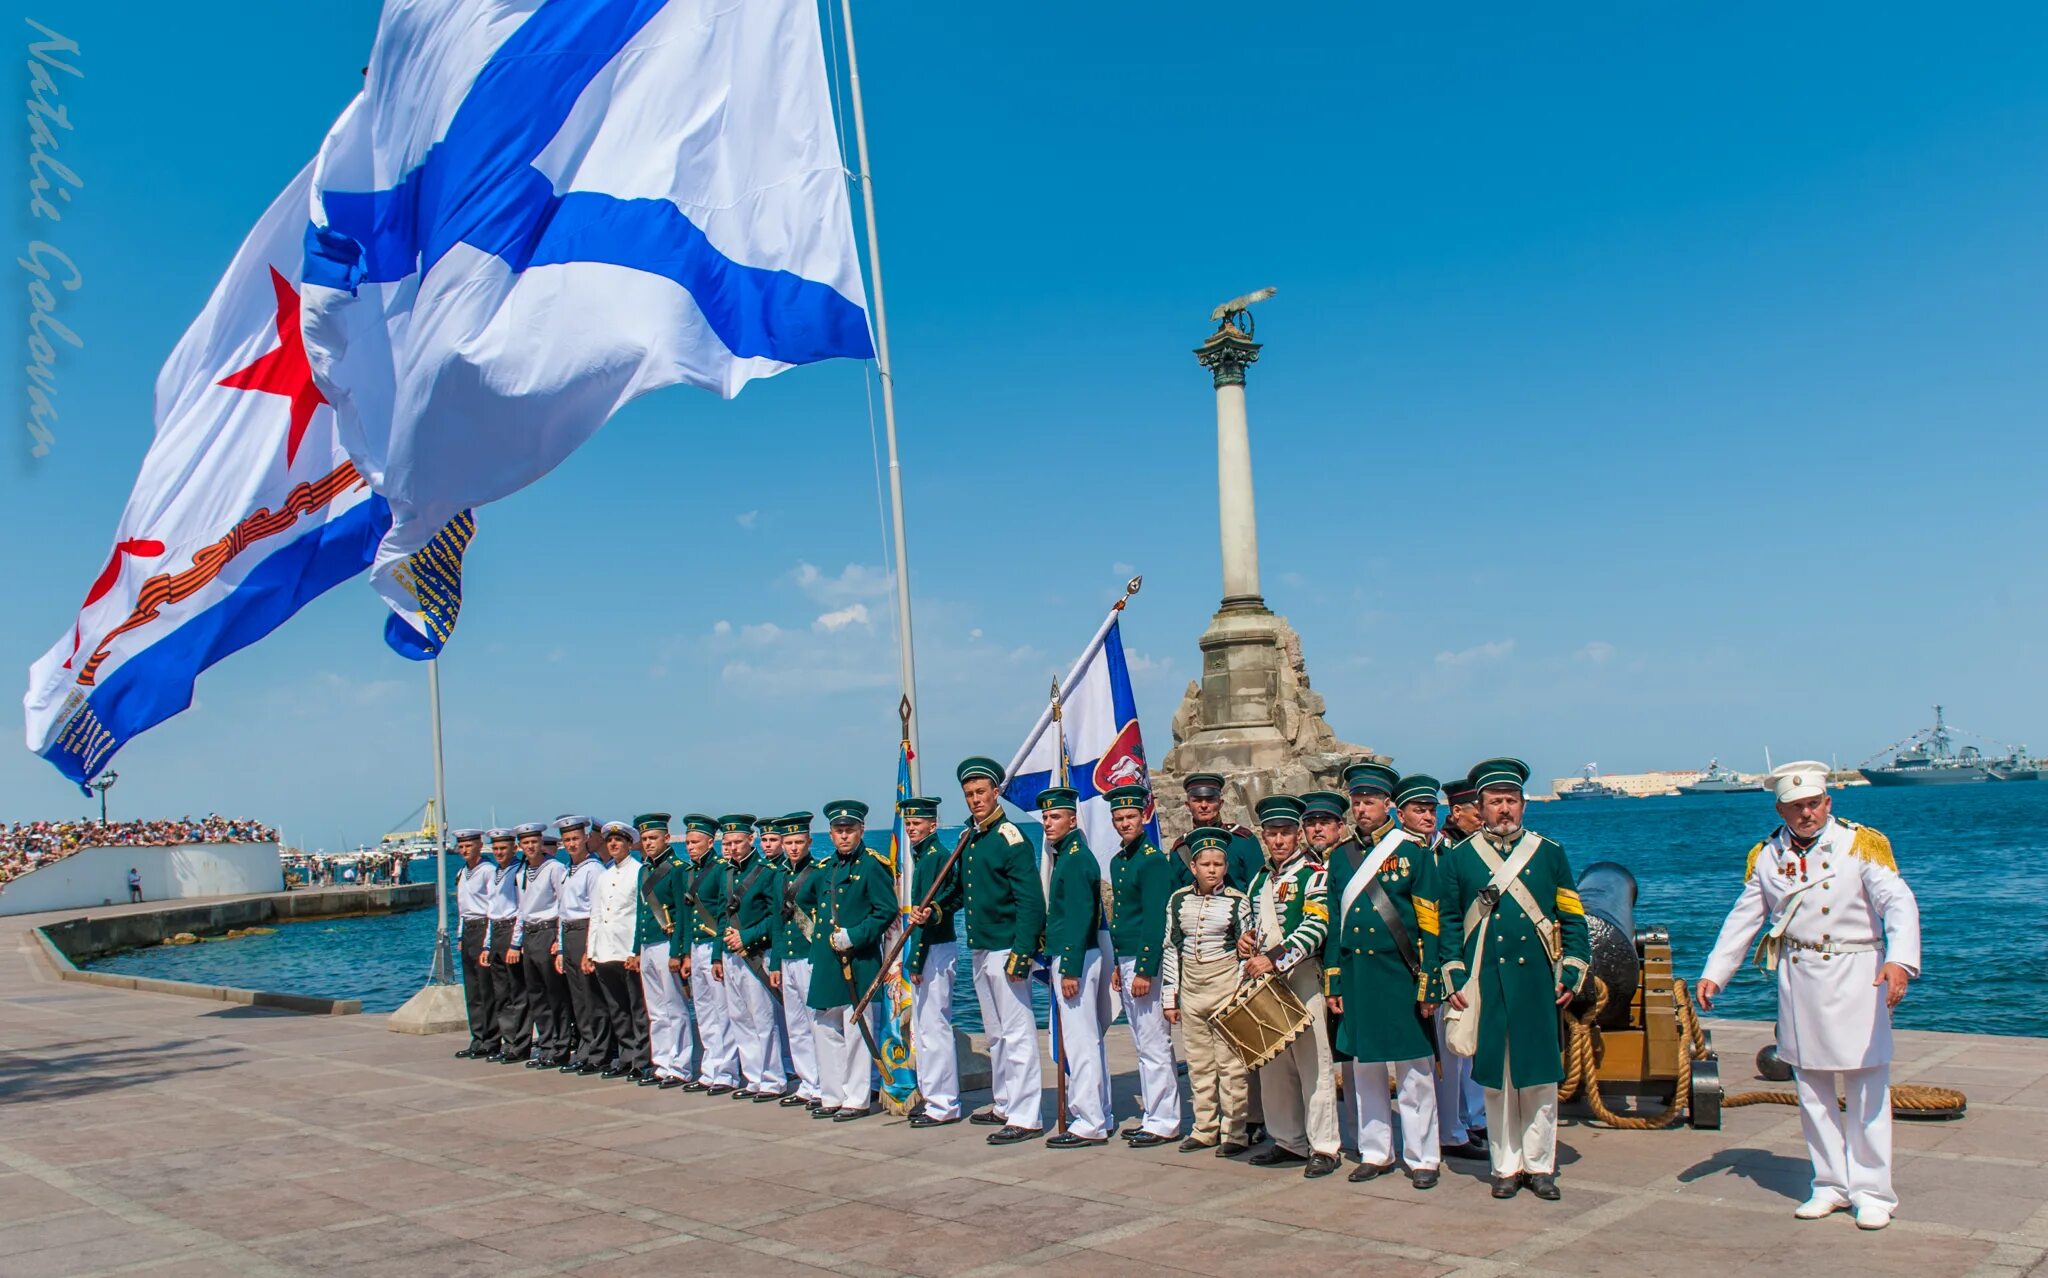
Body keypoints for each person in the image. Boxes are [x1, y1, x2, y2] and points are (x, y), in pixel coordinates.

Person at [1697, 761, 1920, 1230]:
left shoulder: (1859, 844)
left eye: (1814, 804)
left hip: (1858, 972)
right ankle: (1830, 1185)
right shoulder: (1766, 855)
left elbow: (1897, 902)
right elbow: (1745, 916)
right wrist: (1716, 972)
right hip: (1799, 977)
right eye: (1796, 806)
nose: (1807, 813)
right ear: (1781, 808)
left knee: (1866, 1089)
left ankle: (1873, 1191)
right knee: (1813, 1091)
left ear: (1828, 803)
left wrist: (1899, 960)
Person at [1434, 757, 1591, 1202]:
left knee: (1539, 1077)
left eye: (1511, 801)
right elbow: (1448, 924)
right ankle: (1505, 1166)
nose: (1504, 809)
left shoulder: (1549, 853)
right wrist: (1454, 977)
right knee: (1496, 1079)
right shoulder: (1460, 859)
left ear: (1523, 805)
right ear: (1480, 808)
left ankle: (1540, 1165)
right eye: (1495, 801)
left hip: (1537, 981)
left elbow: (1572, 918)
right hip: (1486, 979)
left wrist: (1573, 971)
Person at [1326, 772, 1442, 1189]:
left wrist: (1430, 979)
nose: (1361, 809)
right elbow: (1336, 921)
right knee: (1367, 1068)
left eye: (1370, 801)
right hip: (1359, 976)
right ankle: (1376, 1151)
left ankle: (1423, 1155)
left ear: (1388, 804)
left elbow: (1430, 920)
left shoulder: (1413, 852)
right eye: (1356, 802)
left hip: (1399, 975)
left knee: (1414, 1070)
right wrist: (1334, 981)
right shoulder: (1341, 857)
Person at [1240, 795, 1340, 1178]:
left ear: (1297, 834)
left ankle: (1325, 1145)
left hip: (1301, 975)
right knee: (1274, 1065)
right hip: (1267, 979)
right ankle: (1287, 1140)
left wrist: (1275, 957)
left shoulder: (1314, 875)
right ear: (1264, 836)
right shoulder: (1259, 881)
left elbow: (1316, 926)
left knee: (1315, 1063)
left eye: (1285, 833)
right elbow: (1251, 925)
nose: (1279, 840)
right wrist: (1245, 943)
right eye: (1272, 834)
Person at [956, 756, 1046, 1144]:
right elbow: (967, 892)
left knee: (1017, 1031)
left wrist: (1022, 953)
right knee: (995, 1033)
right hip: (980, 947)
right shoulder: (973, 839)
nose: (976, 799)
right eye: (969, 794)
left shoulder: (1010, 837)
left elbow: (1030, 902)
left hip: (1006, 947)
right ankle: (1006, 1101)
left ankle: (1027, 1115)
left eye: (981, 792)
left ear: (996, 793)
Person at [1160, 830, 1255, 1156]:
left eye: (1218, 864)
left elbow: (1247, 951)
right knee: (1199, 1064)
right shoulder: (1178, 900)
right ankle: (1204, 1127)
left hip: (1225, 984)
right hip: (1192, 988)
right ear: (1194, 867)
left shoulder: (1238, 902)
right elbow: (1172, 948)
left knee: (1231, 1066)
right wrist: (1170, 997)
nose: (1212, 870)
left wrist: (1240, 995)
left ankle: (1235, 1131)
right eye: (1205, 864)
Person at [807, 800, 896, 1121]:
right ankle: (832, 1094)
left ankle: (857, 1098)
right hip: (827, 961)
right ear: (830, 834)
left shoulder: (873, 866)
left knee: (857, 1028)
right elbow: (801, 903)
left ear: (861, 831)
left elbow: (886, 911)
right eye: (838, 831)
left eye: (850, 830)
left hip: (857, 960)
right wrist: (812, 934)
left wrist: (856, 935)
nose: (844, 836)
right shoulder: (826, 868)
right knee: (823, 1027)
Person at [1106, 784, 1181, 1147]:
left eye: (1131, 817)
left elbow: (1156, 919)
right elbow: (1122, 915)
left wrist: (1145, 969)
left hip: (1145, 959)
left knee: (1154, 1042)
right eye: (1119, 819)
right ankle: (1154, 1113)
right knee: (1141, 1042)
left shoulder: (1152, 861)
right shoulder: (1119, 861)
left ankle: (1165, 1119)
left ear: (1144, 817)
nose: (1125, 823)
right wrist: (1121, 964)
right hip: (1128, 957)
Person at [1039, 787, 1112, 1148]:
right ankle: (1101, 1112)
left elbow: (1081, 915)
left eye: (1055, 817)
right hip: (1077, 956)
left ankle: (1089, 1120)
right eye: (1046, 817)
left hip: (1077, 957)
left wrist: (1069, 968)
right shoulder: (1066, 856)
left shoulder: (1076, 859)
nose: (1048, 823)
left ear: (1072, 819)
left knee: (1080, 1042)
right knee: (1087, 1039)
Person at [899, 796, 964, 1127]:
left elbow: (944, 903)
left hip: (935, 949)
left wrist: (917, 960)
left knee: (934, 1028)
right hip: (926, 949)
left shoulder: (936, 857)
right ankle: (931, 1094)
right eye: (908, 824)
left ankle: (943, 1102)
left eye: (917, 823)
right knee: (924, 1029)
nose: (911, 829)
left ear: (932, 825)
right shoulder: (924, 857)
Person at [1433, 775, 1488, 1159]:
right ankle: (1454, 1126)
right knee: (1452, 1047)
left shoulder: (1480, 848)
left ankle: (1477, 1116)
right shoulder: (1443, 851)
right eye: (1476, 811)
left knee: (1474, 1042)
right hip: (1451, 957)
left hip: (1479, 954)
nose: (1483, 817)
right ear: (1456, 812)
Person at [719, 814, 788, 1101]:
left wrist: (747, 937)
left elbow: (777, 916)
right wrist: (718, 952)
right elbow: (722, 914)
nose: (733, 847)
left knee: (762, 1018)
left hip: (756, 951)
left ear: (751, 840)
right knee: (739, 1017)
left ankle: (772, 1079)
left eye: (738, 842)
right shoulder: (726, 874)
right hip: (730, 952)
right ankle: (753, 1076)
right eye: (728, 843)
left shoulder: (766, 873)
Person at [676, 814, 740, 1095]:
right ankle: (710, 1068)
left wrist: (717, 955)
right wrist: (686, 953)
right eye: (688, 842)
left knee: (721, 1011)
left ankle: (726, 1072)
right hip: (696, 947)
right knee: (703, 1011)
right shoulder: (690, 872)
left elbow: (723, 914)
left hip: (713, 944)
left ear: (709, 841)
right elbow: (688, 916)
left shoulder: (720, 869)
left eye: (695, 842)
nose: (690, 847)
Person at [631, 813, 690, 1087]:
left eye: (653, 838)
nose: (648, 843)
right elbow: (642, 913)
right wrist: (636, 949)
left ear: (667, 838)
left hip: (667, 944)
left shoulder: (677, 868)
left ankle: (680, 1066)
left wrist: (678, 952)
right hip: (648, 942)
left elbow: (682, 912)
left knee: (674, 1007)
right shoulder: (643, 870)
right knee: (655, 1009)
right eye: (644, 839)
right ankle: (662, 1062)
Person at [586, 821, 649, 1079]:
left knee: (637, 1007)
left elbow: (641, 915)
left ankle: (641, 1059)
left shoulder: (639, 871)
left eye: (619, 841)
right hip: (605, 950)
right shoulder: (604, 875)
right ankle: (625, 1055)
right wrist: (591, 951)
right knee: (617, 1008)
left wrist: (637, 951)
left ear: (629, 844)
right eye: (610, 841)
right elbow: (597, 914)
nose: (613, 845)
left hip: (626, 949)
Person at [777, 812, 830, 1109]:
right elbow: (777, 920)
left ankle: (824, 1082)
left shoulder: (818, 872)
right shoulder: (780, 875)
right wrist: (775, 963)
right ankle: (807, 1082)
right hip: (787, 955)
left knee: (817, 1023)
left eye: (798, 842)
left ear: (809, 841)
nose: (793, 847)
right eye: (789, 842)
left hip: (809, 954)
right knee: (795, 1024)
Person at [510, 822, 572, 1069]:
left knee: (555, 993)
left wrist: (559, 942)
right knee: (537, 995)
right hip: (530, 934)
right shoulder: (521, 872)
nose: (530, 847)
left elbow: (563, 905)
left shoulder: (555, 868)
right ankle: (546, 1044)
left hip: (548, 930)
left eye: (534, 842)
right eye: (525, 843)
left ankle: (561, 1046)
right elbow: (521, 910)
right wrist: (516, 942)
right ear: (520, 846)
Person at [554, 817, 609, 1075]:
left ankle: (599, 1052)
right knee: (578, 999)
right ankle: (586, 1049)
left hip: (586, 931)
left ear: (586, 838)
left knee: (591, 998)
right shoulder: (568, 870)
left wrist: (590, 948)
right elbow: (562, 912)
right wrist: (562, 948)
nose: (571, 844)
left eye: (575, 838)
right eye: (567, 840)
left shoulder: (593, 869)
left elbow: (597, 910)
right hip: (570, 933)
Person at [480, 830, 532, 1062]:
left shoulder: (518, 872)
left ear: (514, 848)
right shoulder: (495, 873)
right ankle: (508, 1042)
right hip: (497, 930)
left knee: (517, 993)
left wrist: (515, 942)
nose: (499, 853)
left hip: (512, 930)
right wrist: (487, 945)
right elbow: (491, 911)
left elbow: (522, 909)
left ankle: (521, 1044)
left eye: (504, 848)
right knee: (501, 994)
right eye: (496, 849)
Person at [451, 830, 500, 1060]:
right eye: (461, 847)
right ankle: (478, 1037)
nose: (464, 850)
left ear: (479, 845)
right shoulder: (462, 872)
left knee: (486, 988)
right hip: (469, 929)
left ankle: (491, 1039)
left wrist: (488, 941)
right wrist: (461, 936)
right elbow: (462, 908)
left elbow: (493, 907)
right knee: (472, 990)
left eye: (469, 846)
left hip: (483, 927)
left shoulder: (488, 871)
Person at [1171, 772, 1264, 891]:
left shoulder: (1243, 841)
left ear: (1220, 804)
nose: (1204, 805)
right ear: (1188, 805)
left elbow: (1258, 889)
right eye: (1197, 800)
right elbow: (1174, 895)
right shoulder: (1181, 848)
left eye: (1210, 800)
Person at [1299, 790, 1348, 866]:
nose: (1317, 829)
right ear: (1304, 829)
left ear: (1340, 827)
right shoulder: (1298, 864)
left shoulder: (1351, 858)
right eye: (1311, 823)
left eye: (1324, 823)